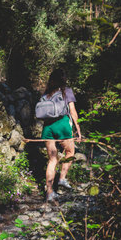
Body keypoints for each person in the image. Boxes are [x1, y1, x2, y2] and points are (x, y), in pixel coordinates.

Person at [41, 68, 82, 202]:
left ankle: (49, 192)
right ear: (63, 79)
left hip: (48, 127)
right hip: (62, 125)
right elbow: (73, 111)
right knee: (70, 151)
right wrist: (78, 129)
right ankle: (62, 178)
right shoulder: (66, 91)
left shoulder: (46, 93)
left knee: (52, 160)